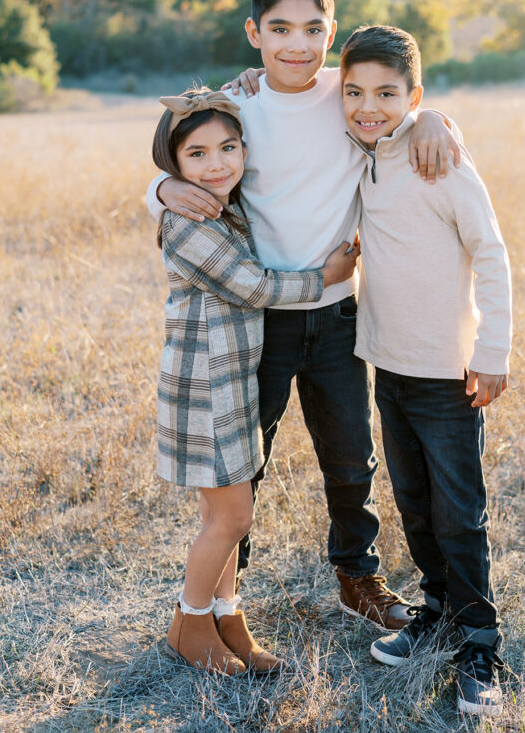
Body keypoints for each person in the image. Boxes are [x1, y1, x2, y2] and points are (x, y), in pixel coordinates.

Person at [148, 0, 463, 630]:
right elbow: (184, 158)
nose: (297, 42)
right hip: (258, 321)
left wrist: (436, 116)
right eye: (280, 27)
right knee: (244, 466)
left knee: (351, 457)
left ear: (333, 31)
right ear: (254, 31)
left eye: (313, 28)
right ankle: (228, 599)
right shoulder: (238, 107)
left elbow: (401, 103)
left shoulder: (347, 97)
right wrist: (156, 189)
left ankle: (359, 575)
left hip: (339, 316)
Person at [152, 87, 359, 674]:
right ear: (174, 165)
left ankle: (227, 615)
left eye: (228, 147)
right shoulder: (188, 223)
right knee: (231, 519)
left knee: (226, 514)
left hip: (232, 384)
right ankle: (189, 624)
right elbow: (256, 286)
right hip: (204, 390)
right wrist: (326, 277)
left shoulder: (225, 206)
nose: (216, 163)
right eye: (197, 154)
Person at [339, 25, 512, 719]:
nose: (367, 106)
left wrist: (493, 350)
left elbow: (491, 254)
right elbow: (309, 92)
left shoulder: (442, 161)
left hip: (448, 373)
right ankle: (438, 611)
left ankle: (479, 642)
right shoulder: (361, 152)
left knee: (459, 512)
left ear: (414, 96)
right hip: (391, 364)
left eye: (387, 94)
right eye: (354, 92)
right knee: (413, 500)